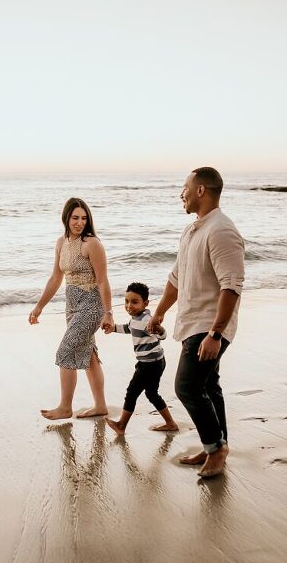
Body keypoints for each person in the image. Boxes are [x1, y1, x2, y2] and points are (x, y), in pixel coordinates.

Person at [148, 167, 244, 478]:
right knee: (208, 386)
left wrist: (216, 333)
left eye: (185, 187)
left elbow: (231, 285)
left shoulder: (221, 230)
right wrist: (160, 312)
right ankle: (215, 446)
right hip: (193, 323)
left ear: (201, 190)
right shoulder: (193, 231)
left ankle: (216, 449)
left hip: (209, 325)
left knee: (186, 386)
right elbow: (176, 278)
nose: (181, 193)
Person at [29, 197, 113, 419]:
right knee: (89, 355)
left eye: (84, 218)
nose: (79, 223)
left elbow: (103, 281)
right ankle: (100, 406)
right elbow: (56, 278)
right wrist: (39, 307)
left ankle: (65, 407)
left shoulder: (92, 244)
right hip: (71, 306)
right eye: (75, 218)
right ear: (66, 217)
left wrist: (108, 313)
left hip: (92, 305)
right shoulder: (60, 243)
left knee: (65, 351)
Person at [104, 282, 178, 435]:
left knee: (132, 392)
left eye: (134, 302)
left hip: (150, 364)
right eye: (126, 301)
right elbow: (129, 328)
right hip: (152, 362)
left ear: (145, 303)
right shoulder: (136, 318)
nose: (129, 305)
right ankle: (171, 423)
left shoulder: (147, 320)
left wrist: (159, 328)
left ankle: (121, 426)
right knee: (151, 393)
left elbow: (162, 335)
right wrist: (113, 328)